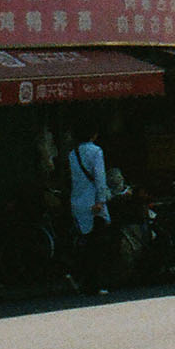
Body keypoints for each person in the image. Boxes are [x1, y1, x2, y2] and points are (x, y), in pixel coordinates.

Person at [65, 125, 112, 295]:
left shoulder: (72, 154)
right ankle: (94, 283)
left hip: (78, 201)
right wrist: (101, 201)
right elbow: (100, 178)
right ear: (94, 134)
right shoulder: (96, 152)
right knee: (97, 246)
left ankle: (79, 277)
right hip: (94, 204)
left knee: (84, 243)